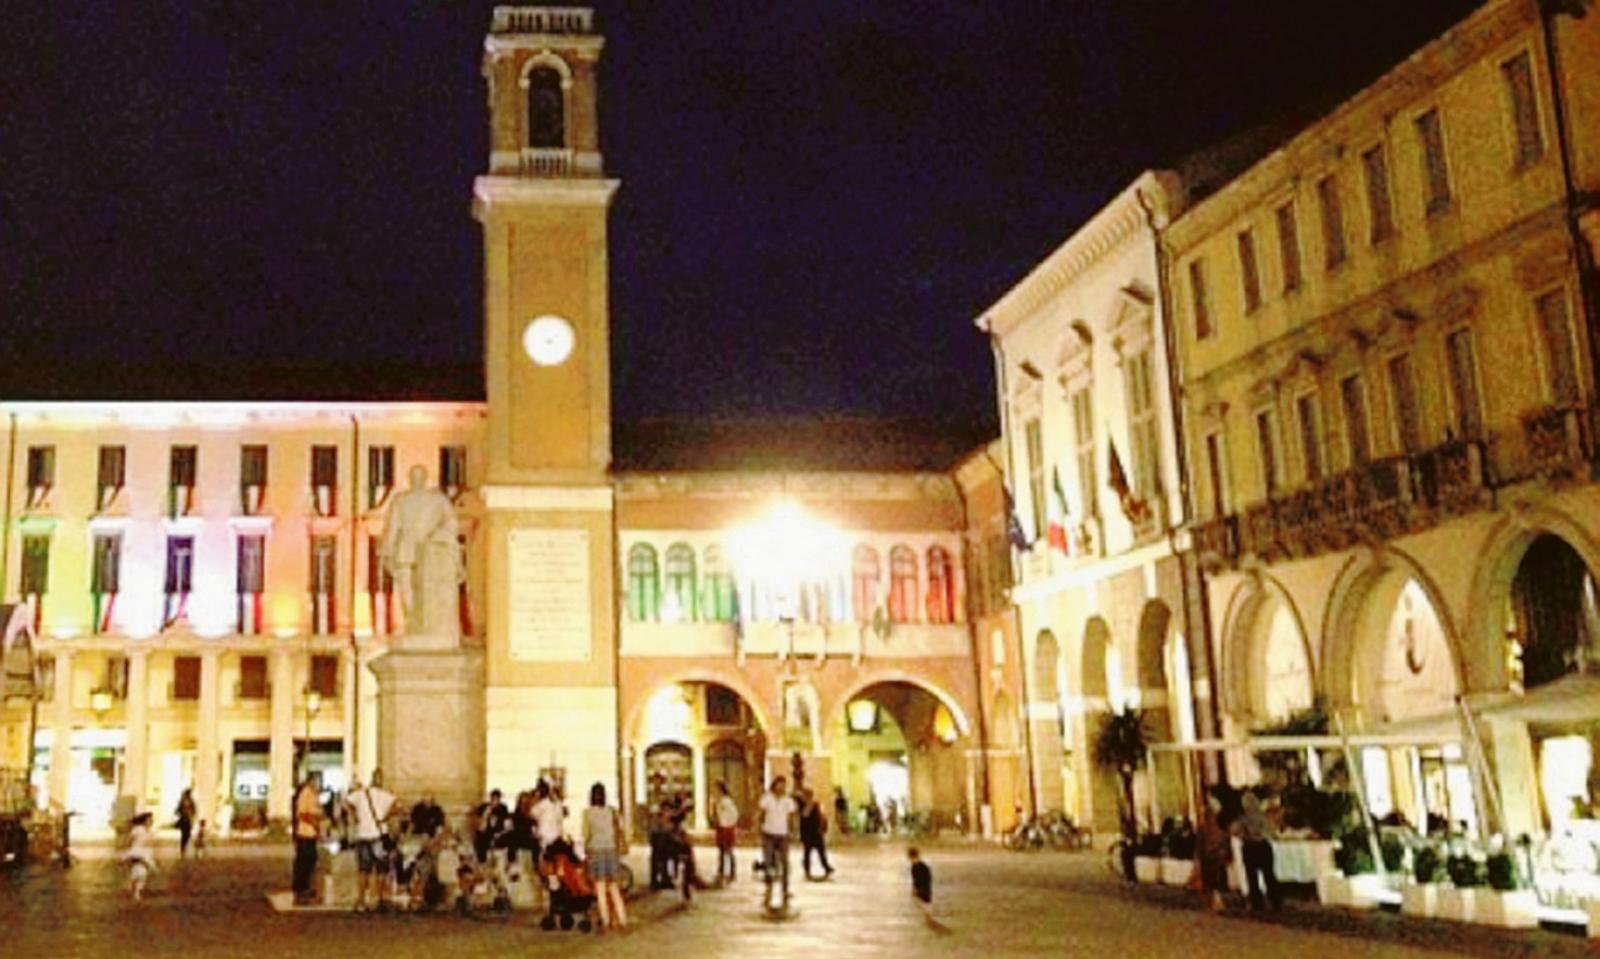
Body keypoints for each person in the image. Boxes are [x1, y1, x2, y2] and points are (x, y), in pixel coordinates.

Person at [346, 773, 397, 913]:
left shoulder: (361, 794)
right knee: (381, 869)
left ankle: (361, 899)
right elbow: (397, 807)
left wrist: (356, 817)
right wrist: (385, 818)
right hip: (379, 835)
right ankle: (379, 898)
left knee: (363, 870)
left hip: (363, 835)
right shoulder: (386, 795)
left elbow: (347, 802)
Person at [582, 782, 629, 933]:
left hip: (596, 851)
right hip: (612, 851)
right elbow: (620, 829)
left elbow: (586, 834)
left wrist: (586, 850)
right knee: (614, 888)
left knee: (600, 889)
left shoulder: (587, 813)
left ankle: (606, 921)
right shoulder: (612, 811)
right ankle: (622, 920)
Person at [1233, 791, 1280, 912]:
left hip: (1250, 847)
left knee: (1252, 876)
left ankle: (1256, 902)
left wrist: (1245, 835)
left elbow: (1236, 832)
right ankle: (1275, 900)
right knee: (1269, 874)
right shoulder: (1263, 817)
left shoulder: (1243, 819)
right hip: (1264, 846)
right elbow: (1272, 832)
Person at [758, 775, 797, 911]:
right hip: (769, 833)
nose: (781, 787)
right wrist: (761, 828)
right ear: (774, 785)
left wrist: (791, 831)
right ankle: (768, 889)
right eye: (779, 784)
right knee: (768, 863)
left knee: (784, 862)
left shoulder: (788, 801)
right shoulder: (767, 798)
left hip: (783, 834)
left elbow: (790, 817)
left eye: (783, 785)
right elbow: (761, 814)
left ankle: (785, 889)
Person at [1195, 795, 1231, 914]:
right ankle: (1217, 901)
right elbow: (1225, 840)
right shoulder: (1220, 826)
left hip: (1209, 856)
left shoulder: (1203, 827)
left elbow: (1200, 844)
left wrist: (1198, 857)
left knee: (1211, 880)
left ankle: (1214, 901)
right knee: (1216, 880)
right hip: (1217, 855)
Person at [293, 776, 322, 905]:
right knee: (304, 861)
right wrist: (314, 823)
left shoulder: (313, 794)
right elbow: (302, 813)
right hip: (305, 833)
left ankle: (306, 886)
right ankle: (301, 888)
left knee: (311, 860)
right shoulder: (306, 793)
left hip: (311, 833)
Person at [798, 787, 833, 879]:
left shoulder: (816, 804)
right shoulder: (801, 805)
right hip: (807, 833)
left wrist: (823, 827)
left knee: (821, 851)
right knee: (807, 853)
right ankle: (807, 871)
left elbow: (821, 816)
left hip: (816, 832)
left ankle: (826, 867)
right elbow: (804, 815)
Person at [124, 811, 157, 901]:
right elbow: (129, 840)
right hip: (137, 852)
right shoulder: (137, 829)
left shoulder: (152, 831)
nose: (151, 822)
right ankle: (136, 891)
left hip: (147, 853)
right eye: (149, 820)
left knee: (144, 874)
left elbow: (152, 842)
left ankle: (136, 888)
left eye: (151, 820)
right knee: (139, 872)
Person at [714, 781, 739, 885]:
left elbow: (734, 814)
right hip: (722, 827)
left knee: (727, 850)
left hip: (726, 828)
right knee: (723, 851)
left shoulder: (726, 801)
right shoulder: (720, 801)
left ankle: (729, 872)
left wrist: (727, 823)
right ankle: (723, 871)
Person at [908, 846, 932, 919]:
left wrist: (915, 888)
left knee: (918, 900)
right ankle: (927, 913)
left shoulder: (916, 866)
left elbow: (917, 879)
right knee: (924, 901)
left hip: (923, 887)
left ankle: (927, 913)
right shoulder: (921, 865)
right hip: (925, 887)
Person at [175, 788, 197, 859]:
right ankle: (183, 849)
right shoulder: (182, 801)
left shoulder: (191, 802)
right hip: (184, 819)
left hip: (188, 820)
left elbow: (194, 810)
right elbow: (177, 810)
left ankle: (184, 848)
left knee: (187, 835)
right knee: (184, 835)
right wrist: (184, 812)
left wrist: (191, 815)